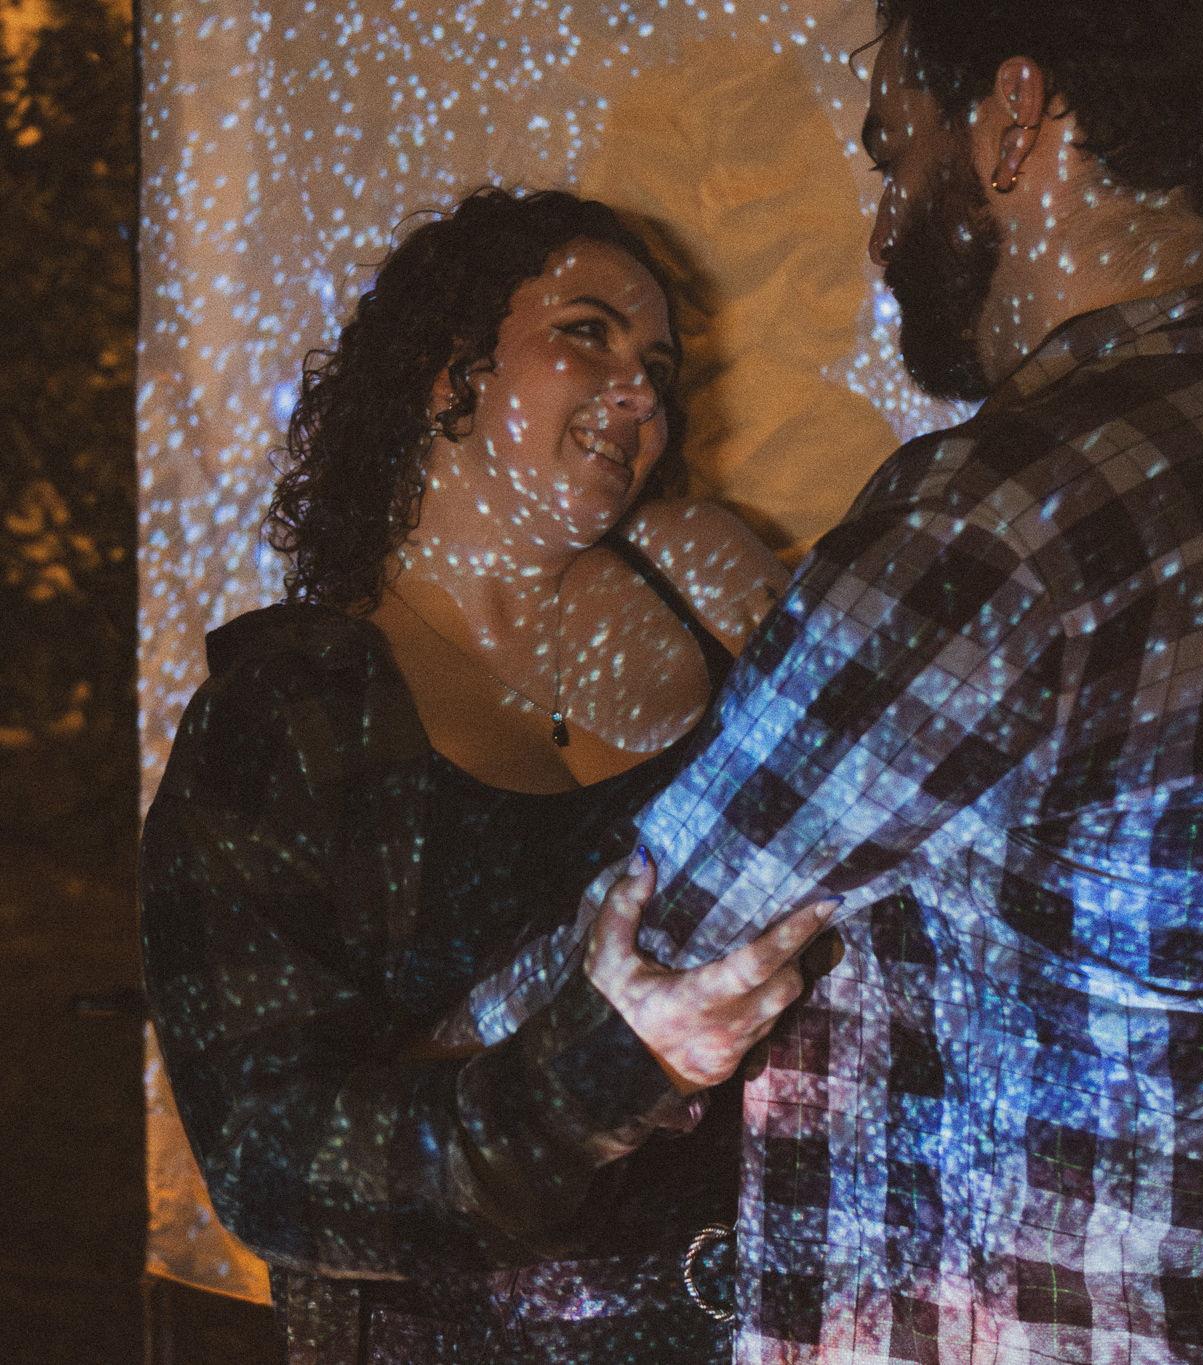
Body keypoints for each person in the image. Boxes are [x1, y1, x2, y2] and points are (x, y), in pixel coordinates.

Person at [463, 2, 1203, 1359]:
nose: (886, 230)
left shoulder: (1005, 518)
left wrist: (378, 1118)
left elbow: (664, 921)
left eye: (896, 155)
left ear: (1012, 117)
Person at [139, 188, 837, 1363]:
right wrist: (603, 1073)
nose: (639, 395)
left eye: (659, 370)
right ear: (442, 370)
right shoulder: (284, 717)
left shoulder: (710, 591)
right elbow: (272, 1165)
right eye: (587, 334)